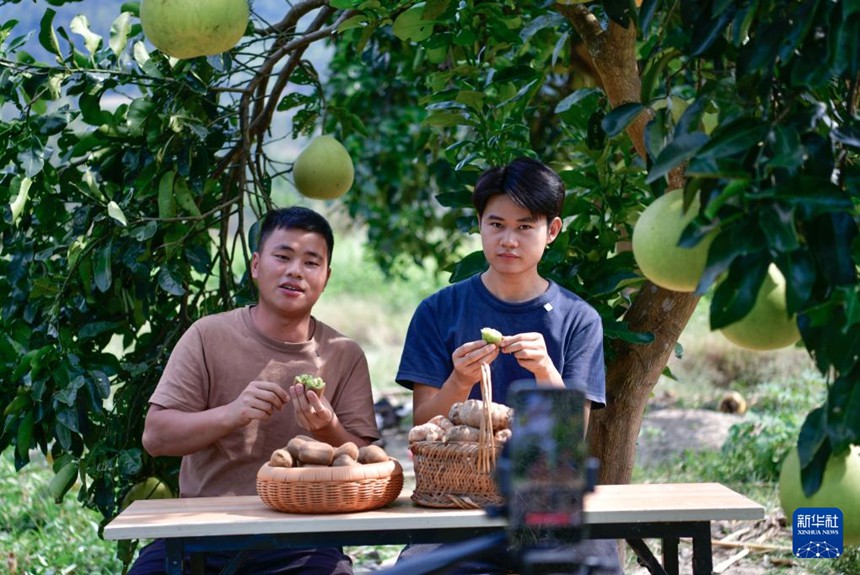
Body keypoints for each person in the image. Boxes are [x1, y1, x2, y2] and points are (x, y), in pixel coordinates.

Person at [395, 157, 622, 574]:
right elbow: (422, 427)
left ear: (552, 231)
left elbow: (573, 435)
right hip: (457, 501)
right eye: (496, 224)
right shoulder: (438, 311)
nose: (509, 240)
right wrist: (459, 381)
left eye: (525, 226)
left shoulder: (578, 318)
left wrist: (546, 372)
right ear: (479, 224)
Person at [128, 206, 380, 575]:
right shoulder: (207, 335)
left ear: (326, 278)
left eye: (312, 262)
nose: (295, 271)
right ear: (257, 265)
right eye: (283, 256)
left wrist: (326, 428)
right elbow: (156, 437)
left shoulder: (344, 354)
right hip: (205, 528)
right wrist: (231, 414)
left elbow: (367, 462)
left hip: (304, 535)